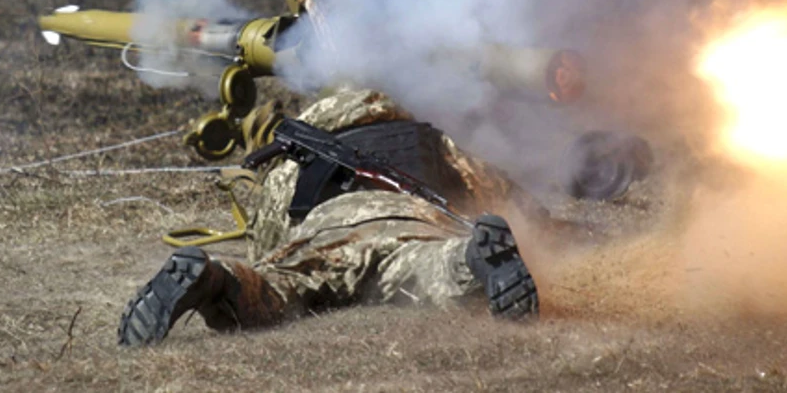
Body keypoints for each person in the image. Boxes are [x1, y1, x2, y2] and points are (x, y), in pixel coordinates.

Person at [118, 88, 549, 347]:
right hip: (413, 222)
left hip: (329, 228)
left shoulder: (299, 153)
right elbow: (493, 187)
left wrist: (268, 260)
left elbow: (272, 226)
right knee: (433, 268)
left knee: (277, 286)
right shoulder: (428, 138)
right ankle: (471, 258)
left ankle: (211, 279)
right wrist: (545, 222)